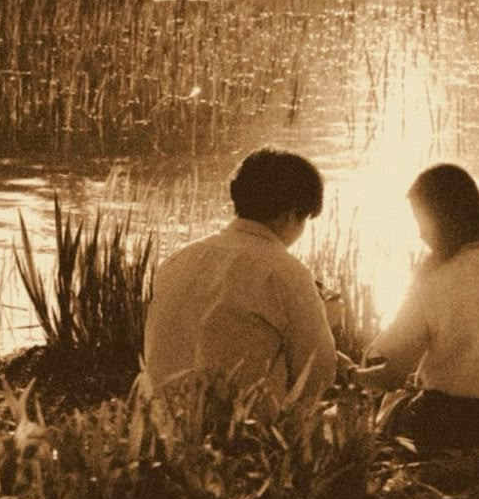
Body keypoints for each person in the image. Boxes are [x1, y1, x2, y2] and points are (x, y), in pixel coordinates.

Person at [350, 163, 479, 450]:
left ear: (442, 220)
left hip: (446, 425)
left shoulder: (434, 280)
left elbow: (390, 375)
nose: (420, 235)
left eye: (421, 223)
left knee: (391, 403)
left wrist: (350, 374)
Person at [143, 147, 338, 418]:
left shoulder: (177, 259)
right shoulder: (286, 272)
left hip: (164, 421)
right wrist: (327, 320)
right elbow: (318, 377)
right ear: (291, 214)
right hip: (239, 434)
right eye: (304, 219)